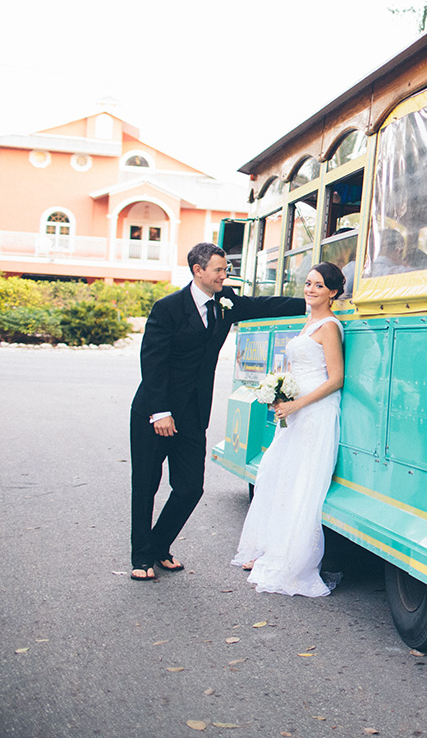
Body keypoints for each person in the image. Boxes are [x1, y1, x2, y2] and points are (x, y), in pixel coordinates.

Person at [129, 243, 305, 581]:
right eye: (219, 270)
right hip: (155, 413)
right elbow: (152, 363)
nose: (224, 276)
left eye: (226, 269)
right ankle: (141, 557)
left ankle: (159, 545)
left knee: (190, 488)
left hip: (193, 413)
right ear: (198, 271)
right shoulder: (167, 308)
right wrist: (160, 412)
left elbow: (264, 304)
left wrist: (313, 302)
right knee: (146, 485)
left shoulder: (226, 302)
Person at [231, 262, 346, 597]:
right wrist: (281, 395)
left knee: (302, 483)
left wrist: (298, 404)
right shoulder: (308, 322)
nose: (310, 290)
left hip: (316, 412)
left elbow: (336, 379)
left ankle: (290, 559)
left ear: (333, 292)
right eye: (308, 283)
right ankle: (272, 548)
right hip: (296, 410)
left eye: (319, 285)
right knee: (277, 474)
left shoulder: (329, 326)